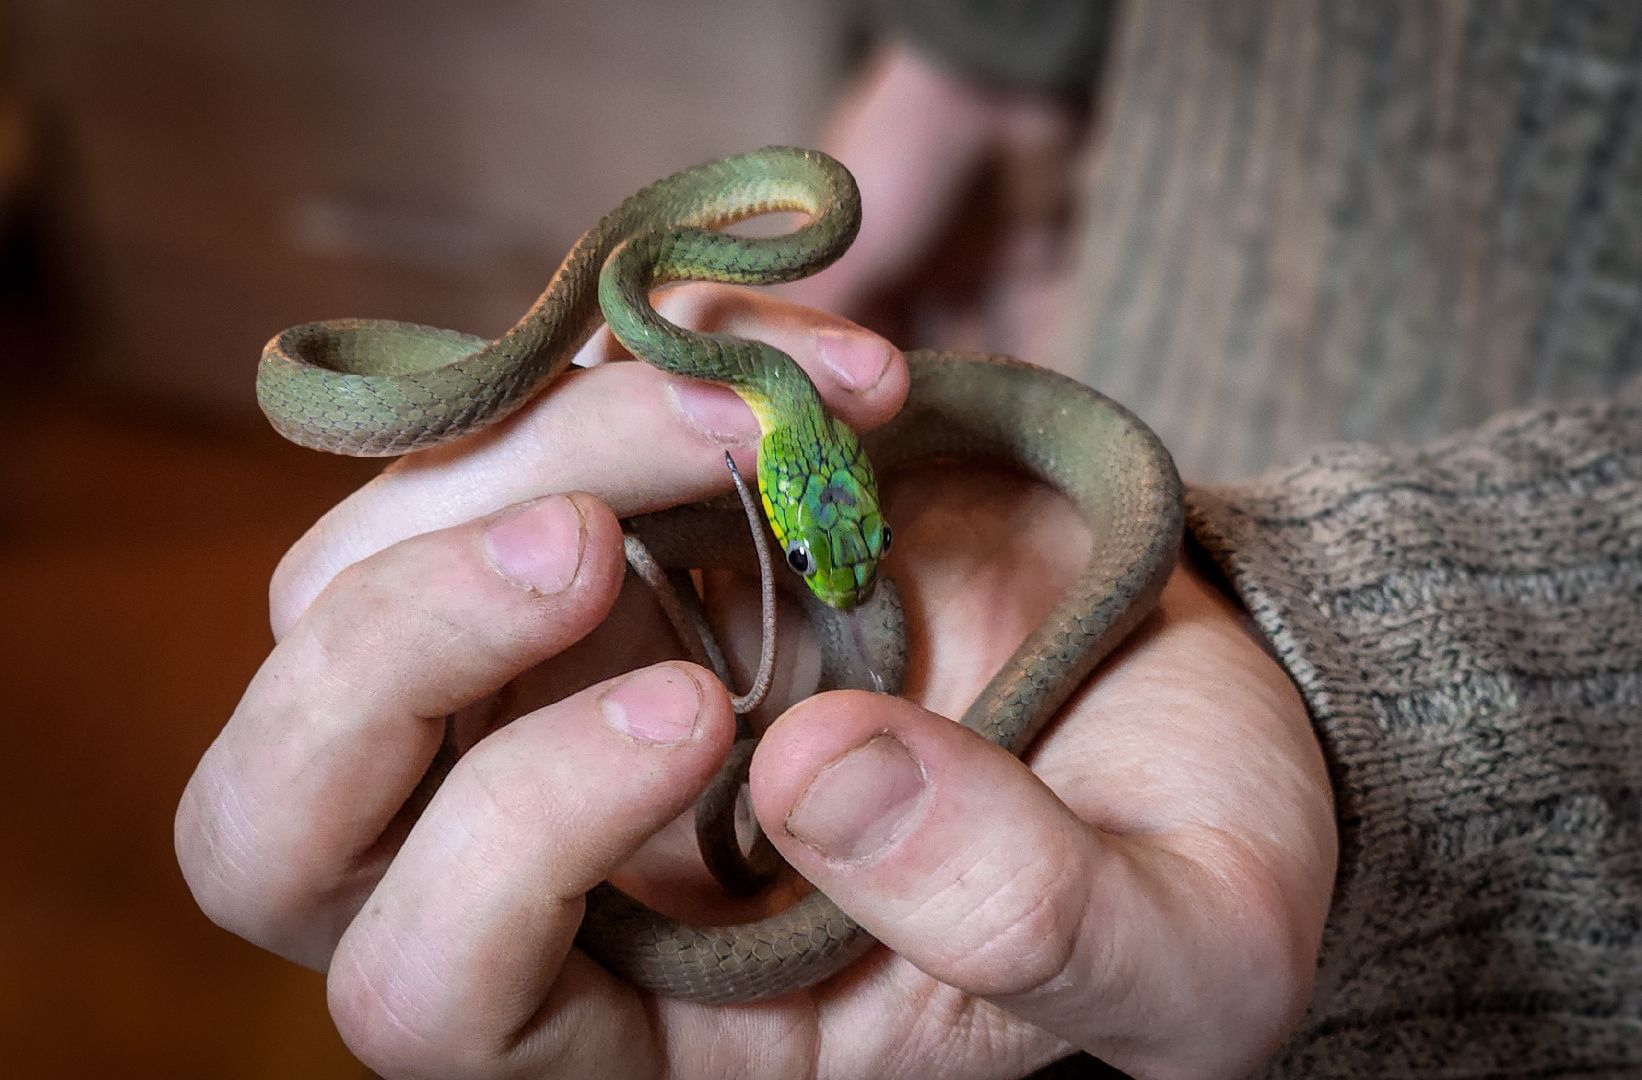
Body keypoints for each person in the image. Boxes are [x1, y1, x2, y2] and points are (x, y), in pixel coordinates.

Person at [177, 2, 1642, 1076]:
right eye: (827, 542)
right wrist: (982, 52)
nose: (846, 565)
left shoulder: (731, 359)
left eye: (841, 535)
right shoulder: (674, 324)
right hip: (1170, 291)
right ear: (775, 431)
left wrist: (1320, 657)